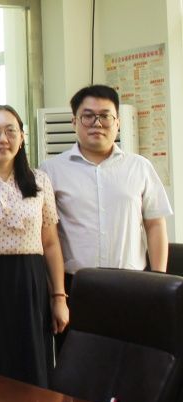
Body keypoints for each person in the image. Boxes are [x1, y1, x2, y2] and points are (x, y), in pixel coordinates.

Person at [0, 105, 68, 387]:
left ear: (22, 137)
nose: (2, 139)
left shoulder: (39, 181)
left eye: (10, 131)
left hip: (30, 283)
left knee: (31, 363)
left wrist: (58, 297)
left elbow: (51, 243)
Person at [39, 85, 172, 282]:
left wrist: (159, 279)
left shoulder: (140, 167)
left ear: (117, 122)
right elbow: (47, 236)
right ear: (74, 122)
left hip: (133, 281)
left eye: (105, 116)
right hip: (75, 282)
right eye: (88, 116)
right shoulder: (50, 170)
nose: (97, 123)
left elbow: (155, 225)